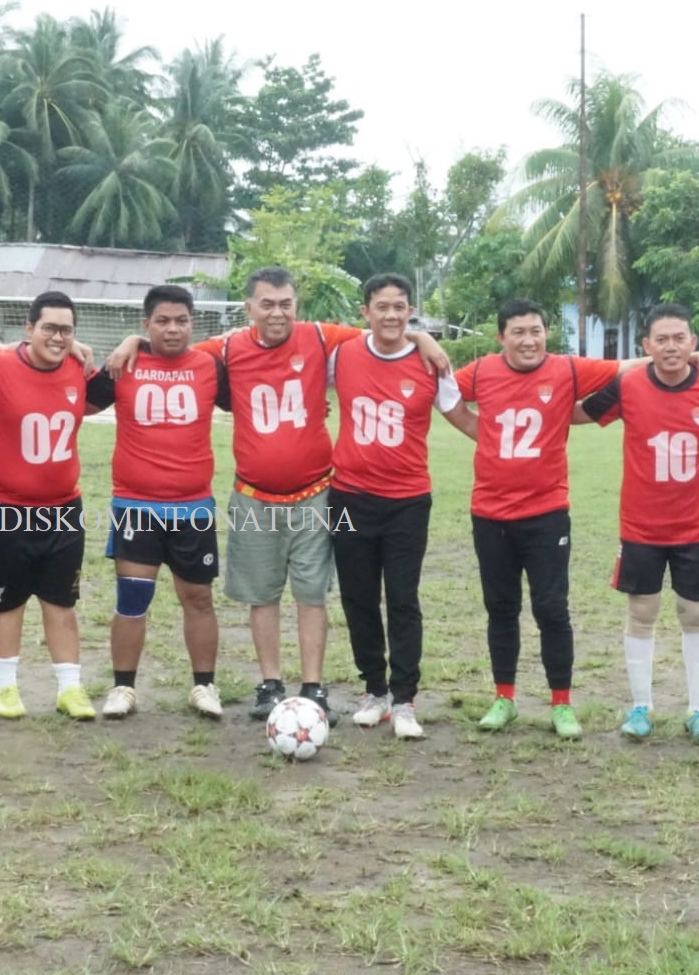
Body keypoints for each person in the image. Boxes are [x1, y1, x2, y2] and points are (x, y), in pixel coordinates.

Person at [105, 267, 449, 726]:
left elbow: (387, 331)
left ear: (297, 306)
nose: (277, 312)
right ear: (248, 308)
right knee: (261, 594)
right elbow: (173, 342)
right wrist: (133, 340)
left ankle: (313, 685)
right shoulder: (226, 348)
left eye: (286, 303)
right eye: (266, 304)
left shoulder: (321, 338)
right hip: (252, 495)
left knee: (312, 593)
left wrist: (425, 337)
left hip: (316, 494)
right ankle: (270, 682)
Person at [450, 298, 699, 738]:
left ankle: (563, 704)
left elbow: (626, 366)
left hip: (549, 512)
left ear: (546, 333)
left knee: (552, 609)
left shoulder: (568, 368)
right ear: (501, 337)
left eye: (536, 330)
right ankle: (505, 698)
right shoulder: (481, 370)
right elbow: (439, 390)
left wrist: (693, 356)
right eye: (518, 332)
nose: (528, 339)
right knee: (501, 608)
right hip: (491, 511)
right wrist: (479, 429)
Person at [579, 303, 699, 745]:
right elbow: (579, 413)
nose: (670, 346)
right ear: (646, 346)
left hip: (695, 526)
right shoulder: (627, 385)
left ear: (693, 343)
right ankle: (641, 705)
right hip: (642, 525)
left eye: (679, 338)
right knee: (641, 612)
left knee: (695, 613)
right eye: (660, 339)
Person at [332, 274, 476, 740]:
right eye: (382, 307)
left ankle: (405, 699)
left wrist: (517, 443)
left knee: (402, 598)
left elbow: (461, 417)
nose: (391, 315)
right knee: (357, 596)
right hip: (349, 496)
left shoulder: (430, 364)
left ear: (410, 310)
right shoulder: (343, 353)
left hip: (407, 501)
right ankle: (373, 690)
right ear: (365, 312)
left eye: (400, 308)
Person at [0, 291, 115, 721]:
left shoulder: (78, 367)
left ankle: (69, 689)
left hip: (62, 507)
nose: (58, 337)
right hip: (5, 506)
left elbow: (100, 396)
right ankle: (5, 687)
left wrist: (124, 345)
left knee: (62, 602)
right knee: (6, 603)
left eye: (66, 330)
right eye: (49, 328)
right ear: (29, 328)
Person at [100, 284, 231, 720]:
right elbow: (70, 398)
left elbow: (251, 396)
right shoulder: (124, 365)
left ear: (193, 323)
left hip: (192, 507)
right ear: (146, 324)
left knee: (198, 598)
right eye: (162, 321)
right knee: (132, 598)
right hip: (136, 505)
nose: (173, 329)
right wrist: (128, 345)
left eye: (181, 321)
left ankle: (204, 686)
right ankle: (123, 689)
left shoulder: (211, 366)